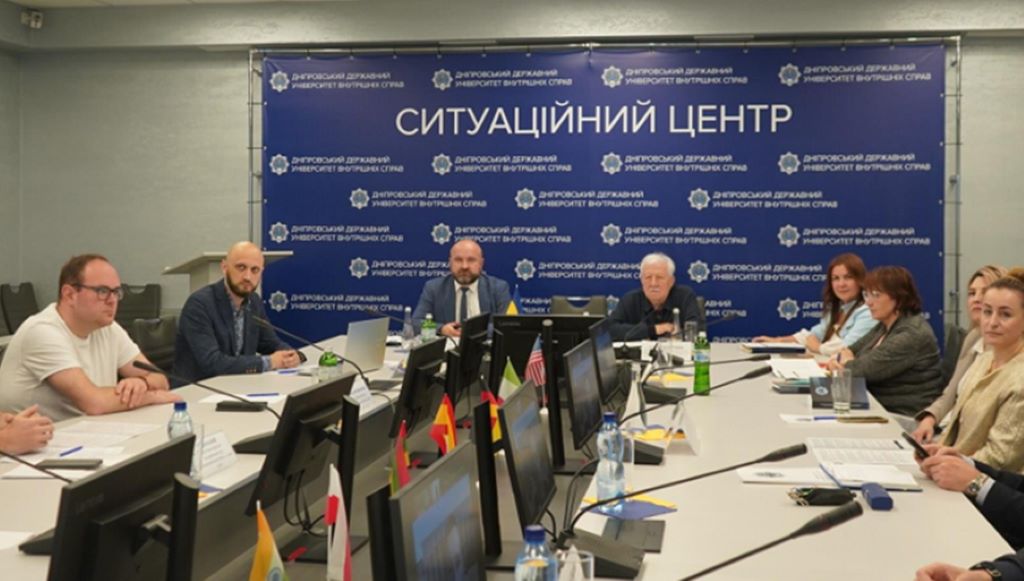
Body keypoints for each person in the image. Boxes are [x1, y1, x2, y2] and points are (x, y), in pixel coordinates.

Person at [0, 254, 179, 422]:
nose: (112, 300)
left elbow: (159, 378)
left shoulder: (108, 328)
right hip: (35, 441)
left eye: (116, 292)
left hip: (88, 431)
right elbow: (94, 403)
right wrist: (151, 396)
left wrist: (142, 383)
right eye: (102, 291)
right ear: (69, 294)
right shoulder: (42, 331)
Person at [915, 269, 1024, 471]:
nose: (992, 322)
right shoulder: (984, 359)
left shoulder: (1019, 378)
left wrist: (949, 461)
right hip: (957, 469)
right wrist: (940, 450)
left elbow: (1001, 458)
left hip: (984, 482)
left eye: (1005, 314)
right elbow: (958, 429)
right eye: (987, 312)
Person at [174, 241, 301, 385]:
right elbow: (212, 363)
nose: (247, 276)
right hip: (197, 390)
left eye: (255, 270)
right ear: (224, 267)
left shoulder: (253, 301)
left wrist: (292, 355)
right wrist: (269, 362)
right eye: (241, 267)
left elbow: (271, 343)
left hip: (237, 386)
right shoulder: (199, 304)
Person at [829, 266, 942, 416]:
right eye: (866, 295)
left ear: (899, 297)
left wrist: (846, 364)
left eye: (876, 295)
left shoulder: (911, 335)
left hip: (903, 416)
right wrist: (847, 361)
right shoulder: (885, 324)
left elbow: (858, 371)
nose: (868, 303)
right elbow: (849, 350)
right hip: (876, 406)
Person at [753, 252, 875, 355]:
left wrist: (818, 348)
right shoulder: (838, 309)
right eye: (836, 278)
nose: (841, 284)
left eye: (848, 277)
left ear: (860, 280)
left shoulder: (869, 312)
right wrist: (776, 341)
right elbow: (812, 336)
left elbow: (847, 348)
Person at [412, 239, 511, 338]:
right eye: (458, 260)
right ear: (450, 262)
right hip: (448, 346)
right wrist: (441, 329)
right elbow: (416, 323)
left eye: (471, 260)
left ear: (481, 263)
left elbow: (507, 326)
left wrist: (473, 331)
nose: (464, 266)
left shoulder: (498, 288)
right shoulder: (434, 288)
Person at [608, 252, 704, 341]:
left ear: (671, 281)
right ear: (641, 280)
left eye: (659, 277)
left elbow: (696, 330)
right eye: (648, 277)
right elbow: (610, 330)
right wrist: (653, 330)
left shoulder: (685, 296)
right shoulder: (631, 299)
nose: (653, 283)